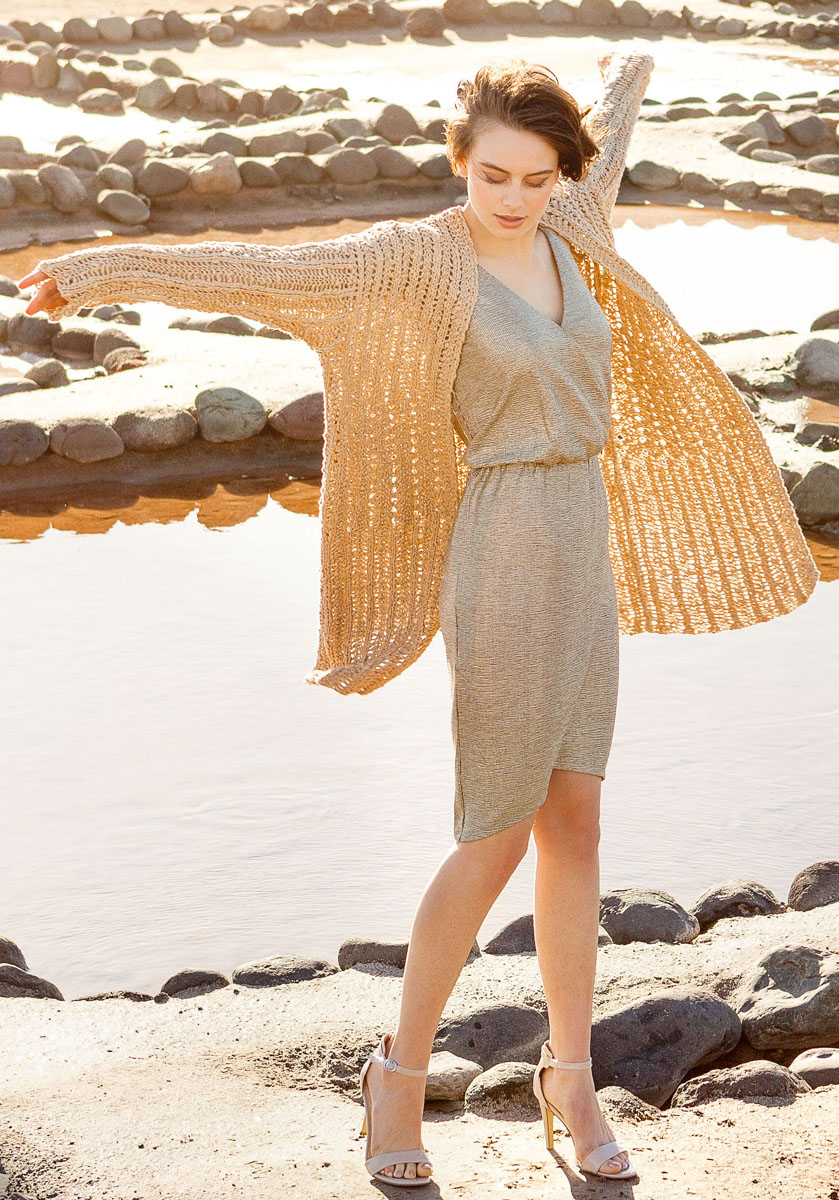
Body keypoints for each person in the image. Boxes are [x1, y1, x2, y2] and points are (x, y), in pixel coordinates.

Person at [18, 49, 819, 1189]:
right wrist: (100, 269)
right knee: (494, 830)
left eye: (535, 177)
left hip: (580, 546)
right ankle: (396, 1076)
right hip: (502, 550)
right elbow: (259, 272)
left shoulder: (573, 223)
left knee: (577, 824)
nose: (514, 197)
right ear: (459, 162)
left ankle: (571, 1078)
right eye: (493, 175)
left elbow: (610, 139)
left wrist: (628, 71)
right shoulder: (412, 259)